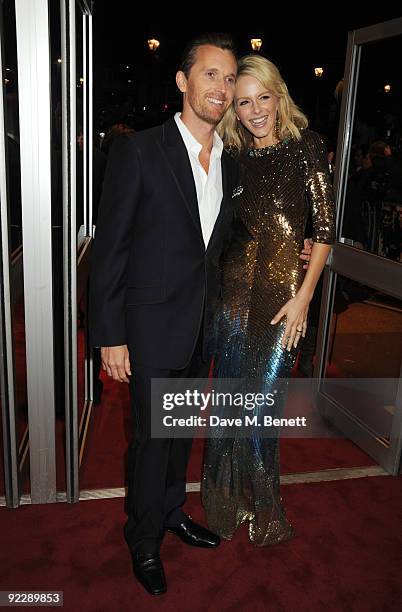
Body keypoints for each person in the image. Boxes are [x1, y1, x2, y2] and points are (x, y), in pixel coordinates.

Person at [89, 34, 239, 596]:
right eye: (210, 75)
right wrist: (110, 334)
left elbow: (221, 245)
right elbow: (112, 250)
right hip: (148, 328)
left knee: (178, 435)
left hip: (199, 327)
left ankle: (173, 511)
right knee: (151, 440)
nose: (221, 89)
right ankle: (144, 537)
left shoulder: (232, 161)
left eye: (229, 78)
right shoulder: (140, 150)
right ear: (183, 81)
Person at [202, 54, 335, 546]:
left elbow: (324, 232)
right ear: (234, 110)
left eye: (263, 98)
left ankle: (266, 508)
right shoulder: (232, 157)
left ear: (279, 98)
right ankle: (226, 502)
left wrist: (304, 299)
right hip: (235, 296)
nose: (255, 110)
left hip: (285, 300)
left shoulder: (307, 148)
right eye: (244, 102)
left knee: (262, 405)